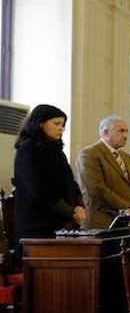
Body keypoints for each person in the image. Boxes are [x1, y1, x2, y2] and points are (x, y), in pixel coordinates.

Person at [13, 105, 85, 249]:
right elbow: (39, 189)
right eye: (56, 124)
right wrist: (70, 212)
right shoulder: (28, 148)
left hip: (61, 221)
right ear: (40, 123)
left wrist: (79, 205)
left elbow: (70, 182)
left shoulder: (57, 150)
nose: (61, 128)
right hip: (38, 224)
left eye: (63, 125)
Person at [77, 115, 130, 229]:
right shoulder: (89, 154)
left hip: (125, 220)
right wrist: (126, 208)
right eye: (121, 131)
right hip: (101, 220)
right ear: (105, 133)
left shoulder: (125, 156)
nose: (125, 136)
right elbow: (97, 188)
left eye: (126, 131)